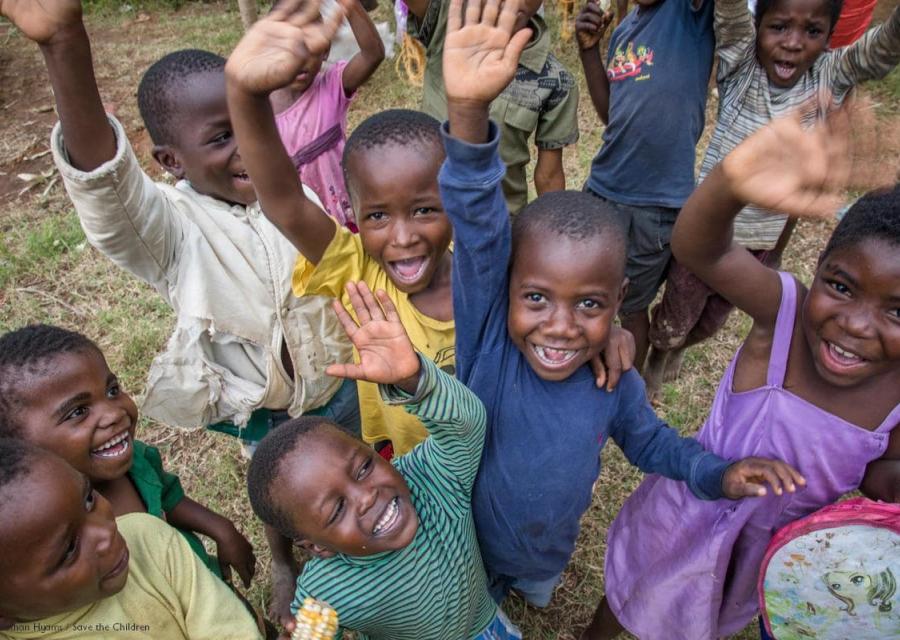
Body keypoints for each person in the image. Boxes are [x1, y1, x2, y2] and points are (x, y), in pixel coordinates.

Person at [0, 0, 356, 625]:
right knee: (275, 487)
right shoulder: (170, 229)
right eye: (221, 136)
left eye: (251, 125)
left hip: (335, 379)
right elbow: (108, 186)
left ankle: (350, 548)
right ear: (169, 160)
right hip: (264, 405)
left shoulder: (289, 190)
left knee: (344, 465)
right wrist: (65, 43)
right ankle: (284, 559)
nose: (246, 147)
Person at [438, 0, 802, 612]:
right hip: (463, 548)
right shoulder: (489, 345)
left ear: (620, 305)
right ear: (503, 293)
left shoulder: (612, 379)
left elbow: (652, 444)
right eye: (535, 297)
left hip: (544, 555)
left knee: (532, 598)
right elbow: (477, 226)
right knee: (474, 608)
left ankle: (526, 590)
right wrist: (470, 111)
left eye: (588, 305)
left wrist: (718, 475)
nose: (559, 324)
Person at [224, 0, 632, 459]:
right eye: (377, 216)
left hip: (491, 460)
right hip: (406, 465)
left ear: (454, 204)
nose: (402, 237)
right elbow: (285, 203)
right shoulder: (358, 274)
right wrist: (243, 94)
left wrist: (608, 331)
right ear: (355, 211)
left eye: (424, 210)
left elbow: (564, 298)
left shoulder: (491, 269)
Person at [591, 113, 900, 640]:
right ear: (819, 263)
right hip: (693, 504)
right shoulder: (786, 313)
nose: (854, 323)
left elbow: (881, 478)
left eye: (898, 311)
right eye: (842, 287)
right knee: (634, 589)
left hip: (766, 550)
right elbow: (699, 249)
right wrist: (734, 181)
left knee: (706, 615)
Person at [644, 0, 900, 401]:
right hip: (706, 235)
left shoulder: (827, 76)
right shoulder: (741, 66)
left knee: (711, 323)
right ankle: (659, 356)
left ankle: (679, 345)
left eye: (812, 32)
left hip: (759, 244)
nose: (794, 43)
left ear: (829, 37)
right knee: (677, 315)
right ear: (756, 26)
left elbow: (881, 50)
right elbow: (727, 14)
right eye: (778, 27)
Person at [247, 282, 522, 640]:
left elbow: (466, 425)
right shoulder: (325, 591)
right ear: (319, 547)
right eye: (336, 510)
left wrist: (413, 379)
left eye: (363, 468)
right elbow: (309, 633)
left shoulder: (430, 481)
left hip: (483, 625)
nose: (366, 496)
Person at [0, 324, 255, 586]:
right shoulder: (44, 525)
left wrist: (221, 530)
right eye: (78, 412)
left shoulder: (135, 463)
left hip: (203, 584)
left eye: (112, 391)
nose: (114, 413)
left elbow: (167, 497)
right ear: (17, 446)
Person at [0, 439, 264, 639]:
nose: (106, 533)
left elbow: (229, 628)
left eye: (89, 499)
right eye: (69, 549)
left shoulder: (147, 539)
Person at [576, 0, 716, 374]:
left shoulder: (690, 12)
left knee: (631, 305)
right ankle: (584, 375)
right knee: (589, 291)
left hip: (655, 206)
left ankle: (627, 397)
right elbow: (611, 113)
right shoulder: (623, 32)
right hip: (604, 189)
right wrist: (589, 51)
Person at [408, 0, 579, 214]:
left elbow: (549, 176)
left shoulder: (555, 80)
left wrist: (555, 231)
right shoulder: (449, 18)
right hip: (430, 211)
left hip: (497, 220)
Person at [271, 0, 385, 231]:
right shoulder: (258, 105)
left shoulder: (331, 86)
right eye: (288, 48)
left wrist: (350, 6)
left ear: (325, 51)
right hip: (301, 226)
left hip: (348, 216)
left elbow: (373, 54)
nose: (300, 59)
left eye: (310, 47)